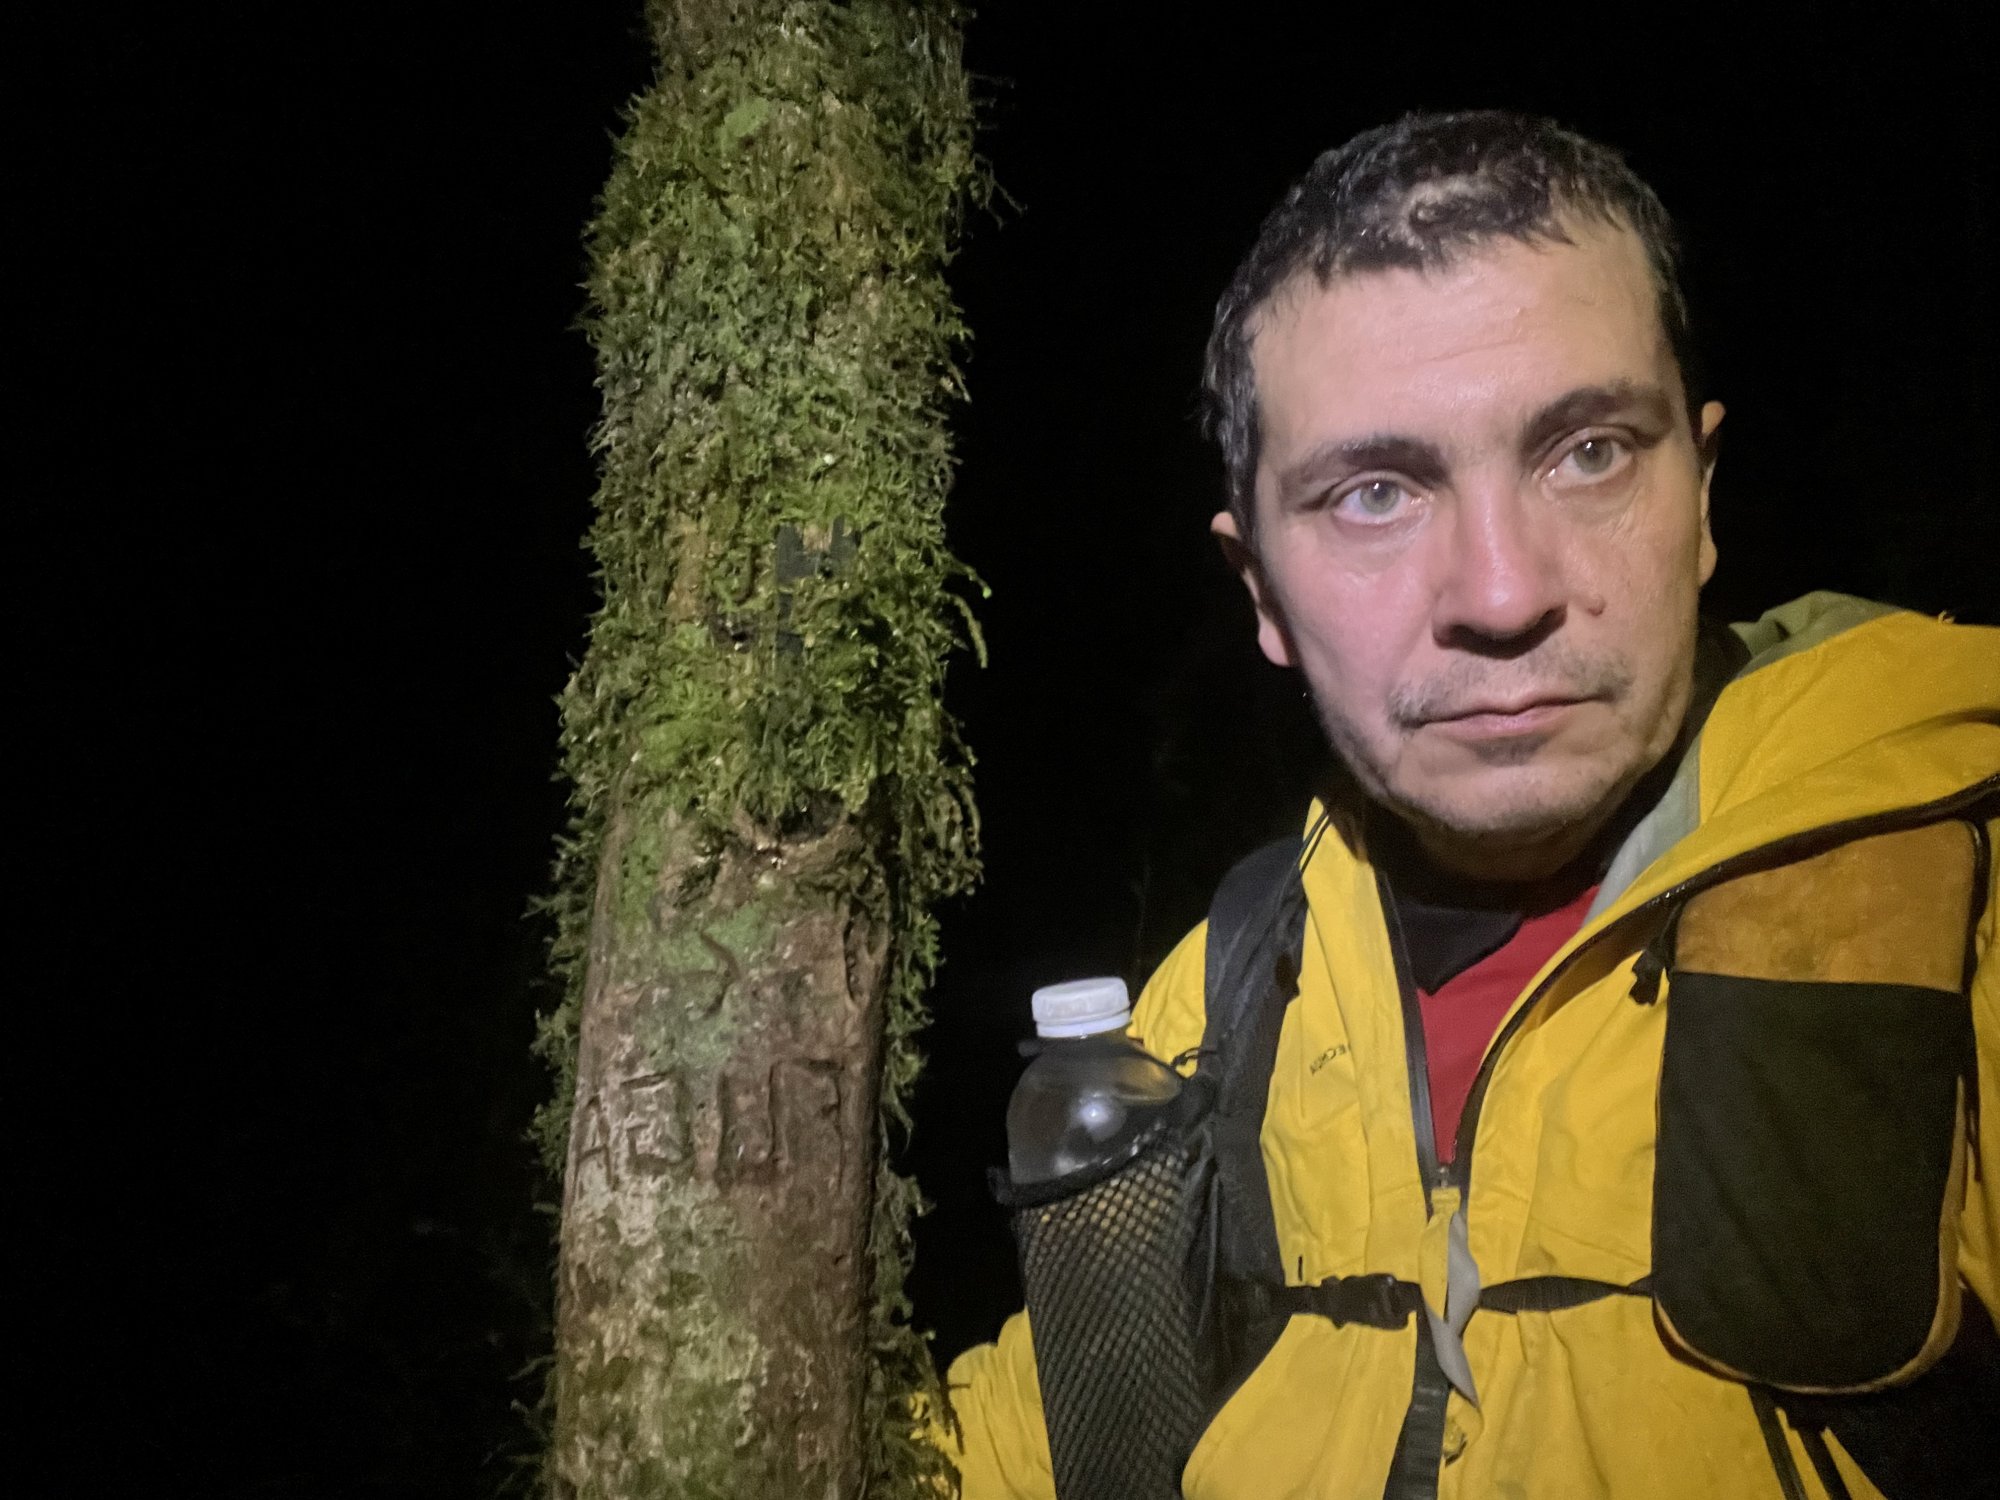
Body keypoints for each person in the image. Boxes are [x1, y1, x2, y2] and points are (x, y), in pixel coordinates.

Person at [938, 112, 2000, 1500]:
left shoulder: (1952, 883)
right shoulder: (1230, 993)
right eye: (1376, 493)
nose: (1503, 594)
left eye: (1590, 452)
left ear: (1704, 494)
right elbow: (1035, 1435)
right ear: (1261, 593)